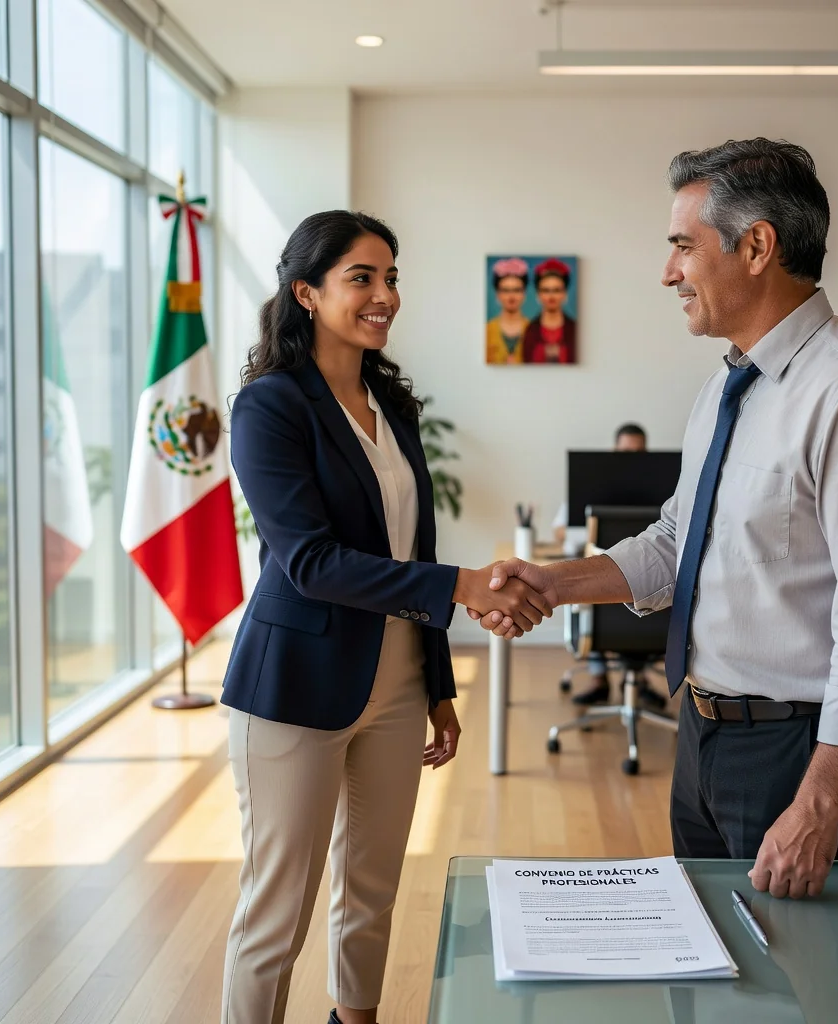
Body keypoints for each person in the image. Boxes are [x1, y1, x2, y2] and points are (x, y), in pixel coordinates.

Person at [475, 139, 838, 899]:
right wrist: (554, 582)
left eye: (683, 246)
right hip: (700, 735)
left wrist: (820, 803)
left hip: (801, 754)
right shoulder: (730, 386)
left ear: (757, 246)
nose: (668, 272)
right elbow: (676, 541)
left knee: (802, 989)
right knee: (717, 972)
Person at [221, 211, 551, 1024]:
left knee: (371, 891)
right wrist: (469, 583)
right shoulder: (269, 407)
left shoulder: (391, 403)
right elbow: (311, 562)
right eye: (361, 278)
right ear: (306, 293)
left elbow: (410, 544)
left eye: (391, 277)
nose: (383, 295)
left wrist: (436, 684)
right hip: (296, 687)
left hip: (398, 683)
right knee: (277, 914)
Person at [552, 423, 666, 710]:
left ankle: (637, 682)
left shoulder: (663, 492)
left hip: (644, 585)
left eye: (639, 454)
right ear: (614, 451)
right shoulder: (592, 485)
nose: (631, 460)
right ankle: (599, 680)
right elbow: (560, 530)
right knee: (591, 590)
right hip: (601, 581)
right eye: (626, 452)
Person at [522, 259, 577, 364]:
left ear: (564, 294)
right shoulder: (530, 330)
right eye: (546, 290)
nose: (551, 296)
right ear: (538, 294)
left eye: (556, 290)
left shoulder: (574, 329)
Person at [486, 257, 530, 364]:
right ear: (497, 294)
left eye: (517, 290)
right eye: (505, 290)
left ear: (524, 294)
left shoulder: (534, 330)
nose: (511, 296)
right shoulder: (486, 331)